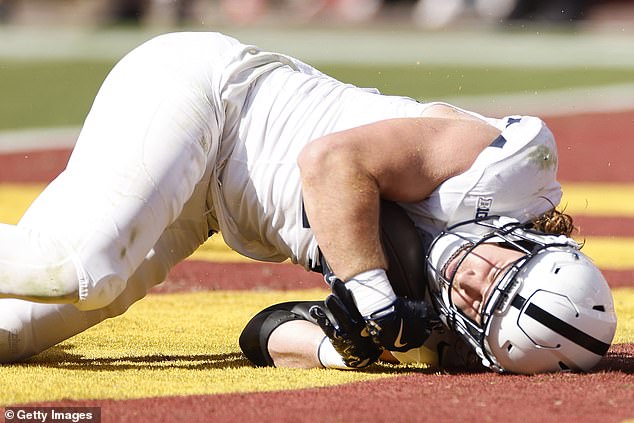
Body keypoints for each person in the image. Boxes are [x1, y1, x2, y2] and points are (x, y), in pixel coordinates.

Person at [0, 32, 615, 368]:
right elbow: (331, 163)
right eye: (503, 273)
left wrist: (345, 347)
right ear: (534, 243)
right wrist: (373, 297)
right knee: (84, 271)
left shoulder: (437, 334)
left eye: (482, 309)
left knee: (16, 333)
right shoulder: (499, 167)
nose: (472, 282)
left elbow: (263, 332)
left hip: (208, 206)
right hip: (214, 102)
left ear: (479, 341)